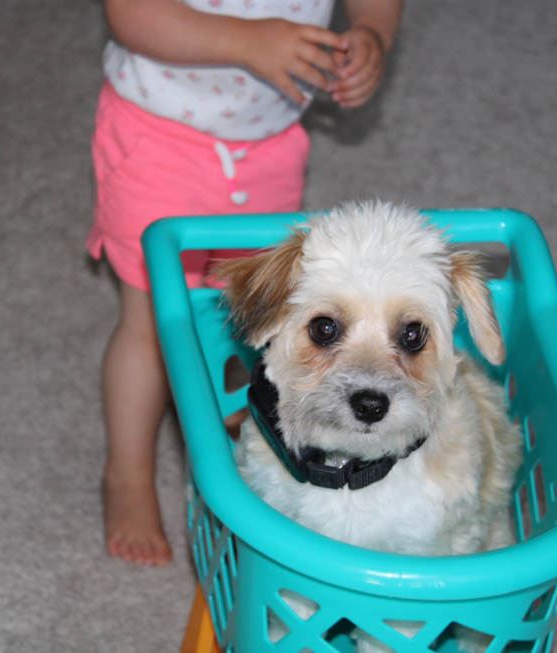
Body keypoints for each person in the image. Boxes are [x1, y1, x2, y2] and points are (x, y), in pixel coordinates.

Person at [88, 0, 403, 566]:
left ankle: (234, 419)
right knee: (152, 323)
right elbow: (131, 12)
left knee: (254, 314)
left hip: (270, 144)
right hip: (156, 138)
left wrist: (371, 32)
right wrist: (243, 41)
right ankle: (127, 474)